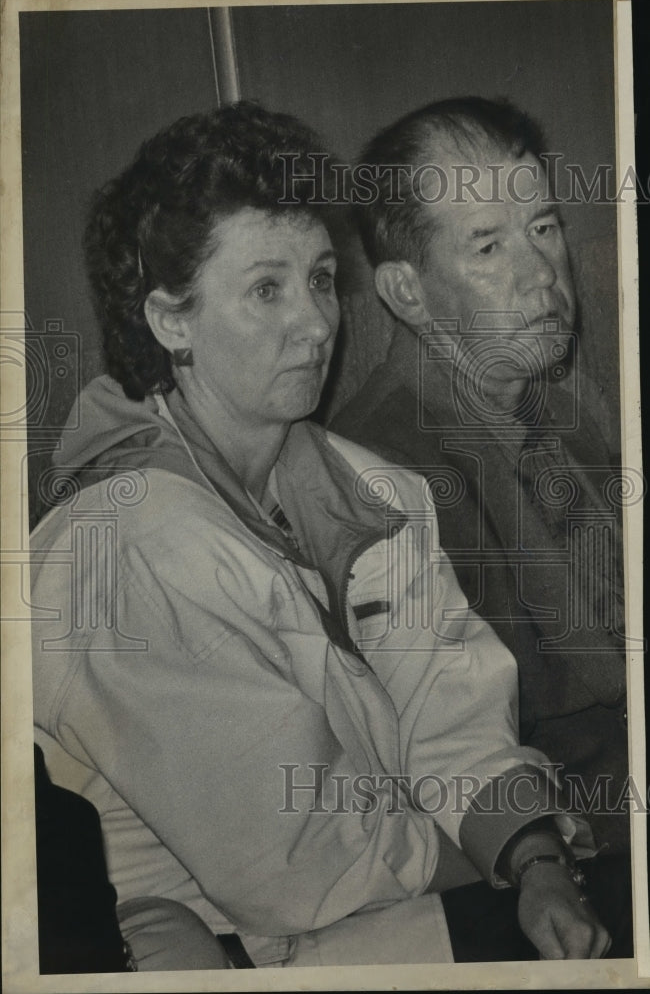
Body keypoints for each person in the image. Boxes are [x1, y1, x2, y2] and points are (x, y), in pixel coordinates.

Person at [31, 101, 610, 971]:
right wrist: (501, 858)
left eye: (319, 277)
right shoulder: (128, 542)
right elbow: (298, 864)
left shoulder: (369, 488)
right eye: (265, 288)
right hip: (221, 953)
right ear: (169, 320)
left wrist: (531, 856)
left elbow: (449, 708)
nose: (315, 322)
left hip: (376, 917)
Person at [330, 97, 630, 866]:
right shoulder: (383, 477)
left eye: (544, 228)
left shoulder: (559, 402)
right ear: (407, 293)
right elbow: (489, 748)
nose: (542, 277)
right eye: (489, 248)